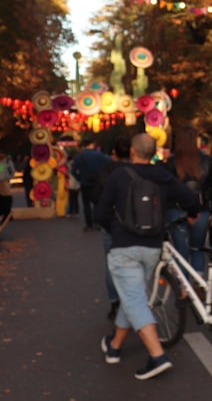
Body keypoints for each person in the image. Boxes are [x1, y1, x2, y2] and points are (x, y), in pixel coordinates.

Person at [94, 132, 200, 380]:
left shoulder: (119, 176)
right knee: (134, 295)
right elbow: (190, 198)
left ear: (132, 151)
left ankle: (157, 356)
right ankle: (114, 346)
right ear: (154, 153)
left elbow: (100, 214)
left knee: (134, 299)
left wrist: (116, 229)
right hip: (153, 247)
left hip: (124, 247)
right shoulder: (163, 176)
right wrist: (192, 213)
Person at [165, 125, 212, 274]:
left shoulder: (172, 162)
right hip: (201, 210)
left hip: (176, 211)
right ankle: (198, 282)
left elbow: (167, 190)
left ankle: (184, 289)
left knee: (181, 250)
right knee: (197, 248)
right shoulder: (207, 160)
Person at [93, 136, 131, 320]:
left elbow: (97, 198)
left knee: (111, 265)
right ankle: (131, 301)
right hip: (134, 224)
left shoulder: (105, 171)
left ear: (114, 154)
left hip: (110, 223)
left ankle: (115, 302)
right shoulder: (136, 170)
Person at [70, 134, 110, 231]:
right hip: (97, 183)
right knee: (97, 203)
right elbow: (109, 162)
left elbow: (74, 170)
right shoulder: (99, 155)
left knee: (86, 205)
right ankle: (97, 223)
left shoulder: (80, 156)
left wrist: (80, 178)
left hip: (85, 183)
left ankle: (89, 225)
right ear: (92, 144)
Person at [0, 149, 14, 228]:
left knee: (6, 195)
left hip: (4, 181)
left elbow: (12, 171)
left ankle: (7, 213)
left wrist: (8, 178)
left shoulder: (7, 162)